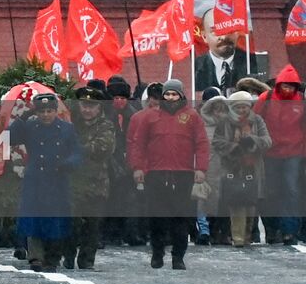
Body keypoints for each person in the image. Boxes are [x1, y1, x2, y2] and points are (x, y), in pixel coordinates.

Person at [127, 78, 209, 269]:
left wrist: (201, 168)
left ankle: (178, 256)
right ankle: (157, 253)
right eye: (168, 94)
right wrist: (138, 167)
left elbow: (202, 144)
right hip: (156, 173)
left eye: (174, 94)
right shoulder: (150, 117)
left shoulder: (192, 117)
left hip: (183, 173)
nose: (171, 98)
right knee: (157, 217)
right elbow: (139, 144)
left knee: (181, 218)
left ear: (181, 95)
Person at [10, 93, 82, 272]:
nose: (46, 115)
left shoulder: (66, 128)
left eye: (50, 111)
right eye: (42, 111)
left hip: (57, 178)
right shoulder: (30, 126)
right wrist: (24, 117)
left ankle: (53, 257)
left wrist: (69, 163)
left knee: (55, 220)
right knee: (34, 219)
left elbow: (76, 152)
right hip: (35, 178)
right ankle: (35, 256)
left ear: (56, 111)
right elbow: (9, 138)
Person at [210, 90, 271, 248]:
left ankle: (247, 236)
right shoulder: (224, 122)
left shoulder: (257, 121)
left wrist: (252, 140)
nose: (242, 110)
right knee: (235, 203)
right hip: (232, 167)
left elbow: (267, 141)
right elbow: (216, 142)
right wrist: (233, 147)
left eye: (245, 107)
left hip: (253, 167)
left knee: (251, 204)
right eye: (238, 107)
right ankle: (237, 238)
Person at [67, 86, 115, 270]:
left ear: (99, 107)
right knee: (71, 223)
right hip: (74, 181)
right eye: (84, 105)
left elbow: (104, 147)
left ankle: (87, 261)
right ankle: (69, 256)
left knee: (92, 226)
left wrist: (77, 148)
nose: (87, 109)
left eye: (91, 106)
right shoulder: (72, 123)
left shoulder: (105, 125)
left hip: (96, 183)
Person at [254, 64, 303, 245]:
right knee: (271, 190)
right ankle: (273, 228)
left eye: (291, 86)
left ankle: (289, 230)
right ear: (279, 85)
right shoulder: (265, 99)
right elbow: (255, 122)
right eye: (285, 86)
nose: (288, 89)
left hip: (294, 152)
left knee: (291, 190)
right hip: (270, 152)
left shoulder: (301, 100)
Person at [193, 15, 254, 93]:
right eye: (215, 31)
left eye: (229, 31)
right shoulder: (196, 68)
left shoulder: (250, 63)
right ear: (204, 36)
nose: (224, 37)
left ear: (237, 33)